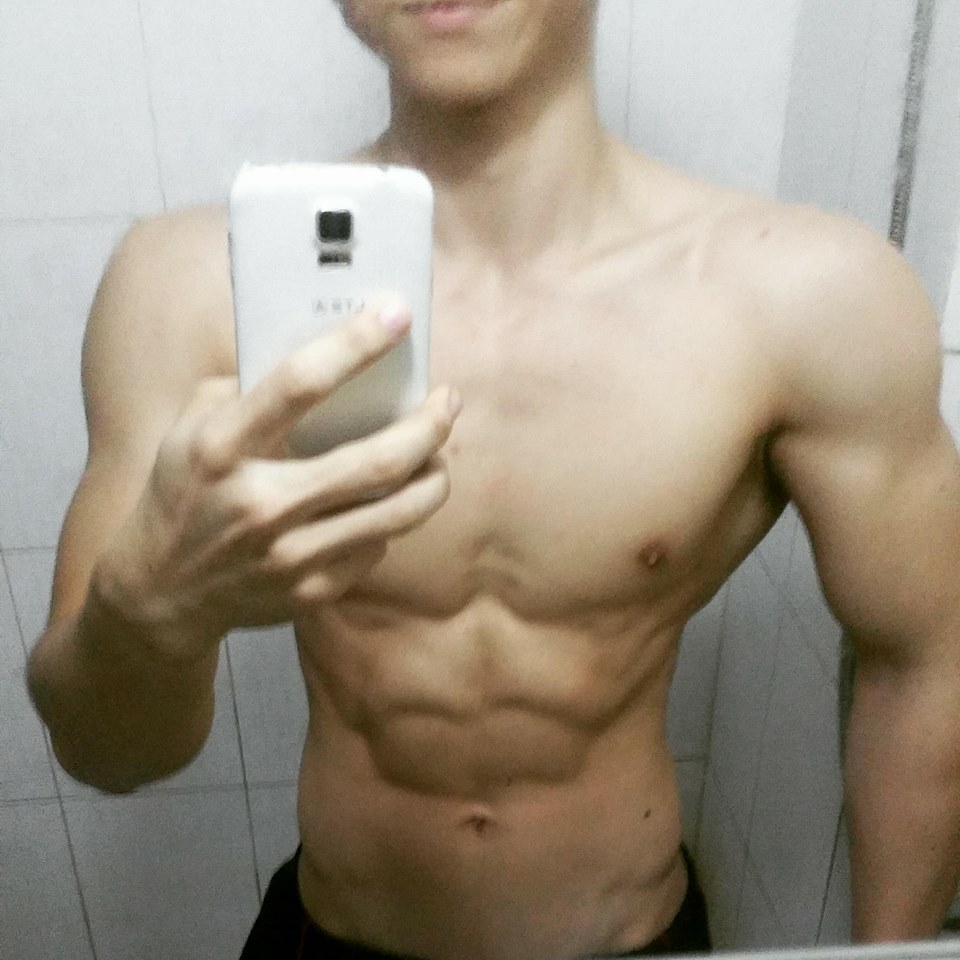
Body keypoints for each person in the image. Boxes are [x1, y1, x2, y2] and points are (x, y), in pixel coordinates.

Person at [25, 1, 960, 958]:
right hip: (333, 935)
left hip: (628, 935)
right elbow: (107, 755)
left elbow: (928, 659)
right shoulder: (183, 289)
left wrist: (898, 954)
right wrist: (150, 614)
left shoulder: (809, 297)